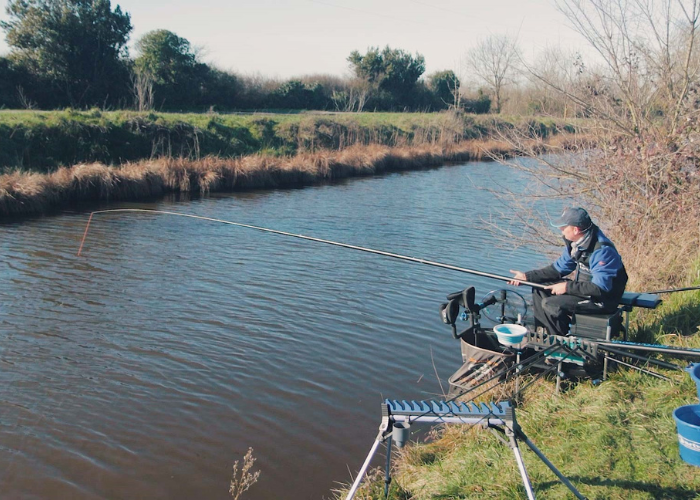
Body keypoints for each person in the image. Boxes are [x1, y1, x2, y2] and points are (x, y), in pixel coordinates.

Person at [508, 207, 628, 337]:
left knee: (551, 304)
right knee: (540, 288)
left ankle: (560, 345)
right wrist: (527, 277)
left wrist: (566, 287)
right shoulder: (577, 244)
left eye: (564, 227)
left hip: (602, 300)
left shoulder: (602, 251)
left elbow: (599, 289)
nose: (561, 230)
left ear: (575, 230)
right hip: (585, 291)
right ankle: (543, 335)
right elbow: (557, 269)